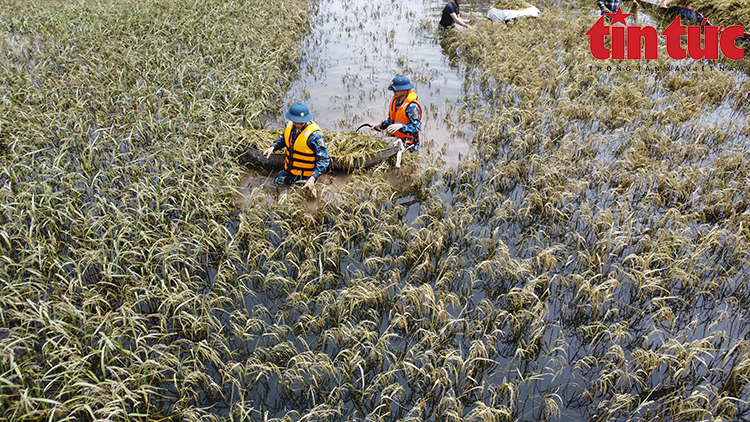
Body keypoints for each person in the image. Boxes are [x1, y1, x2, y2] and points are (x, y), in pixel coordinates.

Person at [263, 102, 330, 197]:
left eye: (301, 122)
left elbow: (324, 160)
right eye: (295, 121)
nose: (298, 124)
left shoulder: (315, 136)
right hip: (288, 170)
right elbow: (284, 139)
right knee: (274, 189)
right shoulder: (289, 125)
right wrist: (273, 147)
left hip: (305, 176)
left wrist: (312, 180)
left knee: (302, 197)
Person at [371, 75, 422, 151]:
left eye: (396, 90)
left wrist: (402, 126)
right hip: (396, 140)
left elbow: (417, 127)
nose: (394, 92)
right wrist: (381, 125)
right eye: (393, 90)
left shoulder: (412, 106)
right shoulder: (395, 102)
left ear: (405, 90)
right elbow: (391, 121)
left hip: (409, 144)